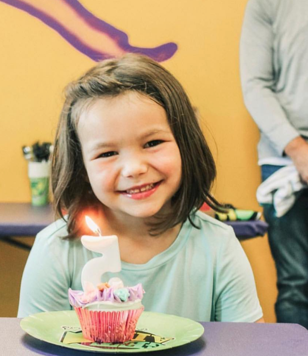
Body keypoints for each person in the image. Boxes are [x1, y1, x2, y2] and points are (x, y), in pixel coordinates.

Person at [18, 54, 263, 323]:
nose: (133, 168)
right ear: (81, 169)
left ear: (185, 144)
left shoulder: (219, 247)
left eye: (152, 143)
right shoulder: (55, 251)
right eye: (108, 153)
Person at [240, 0, 308, 328]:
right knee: (297, 284)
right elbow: (255, 85)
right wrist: (298, 149)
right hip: (284, 160)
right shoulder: (268, 3)